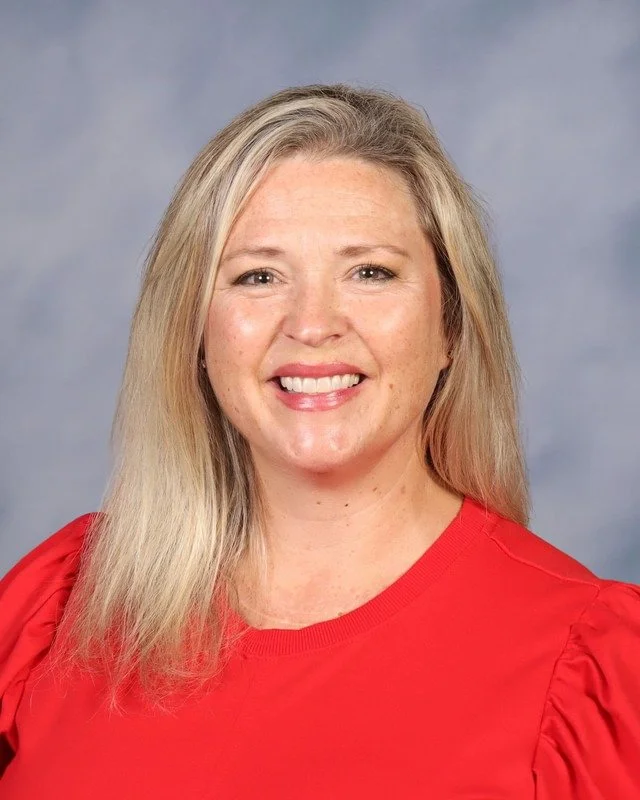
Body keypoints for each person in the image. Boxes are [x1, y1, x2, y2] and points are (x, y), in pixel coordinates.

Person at [0, 83, 638, 799]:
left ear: (451, 326)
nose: (312, 323)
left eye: (370, 272)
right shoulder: (61, 606)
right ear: (196, 333)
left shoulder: (591, 664)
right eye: (259, 276)